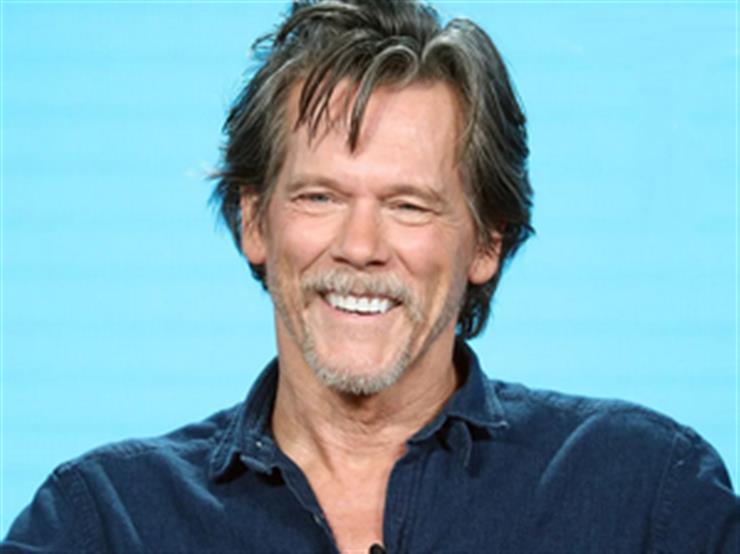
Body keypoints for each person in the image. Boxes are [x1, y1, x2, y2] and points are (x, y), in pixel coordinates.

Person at [2, 0, 738, 552]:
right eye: (319, 197)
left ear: (486, 242)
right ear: (254, 221)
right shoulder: (103, 522)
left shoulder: (647, 496)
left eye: (408, 205)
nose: (360, 247)